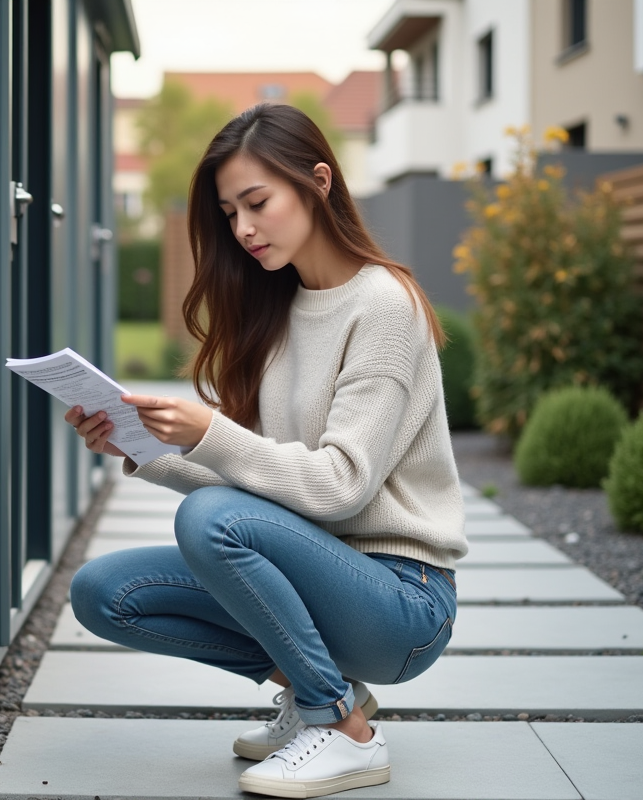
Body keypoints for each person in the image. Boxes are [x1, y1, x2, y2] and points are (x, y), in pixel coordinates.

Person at [64, 103, 467, 799]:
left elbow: (340, 487)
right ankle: (323, 689)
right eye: (230, 213)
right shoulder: (279, 308)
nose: (244, 229)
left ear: (318, 182)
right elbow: (266, 479)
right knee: (104, 593)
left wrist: (209, 433)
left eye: (257, 202)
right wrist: (138, 447)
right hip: (316, 569)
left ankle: (342, 729)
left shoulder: (383, 307)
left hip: (402, 602)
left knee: (213, 518)